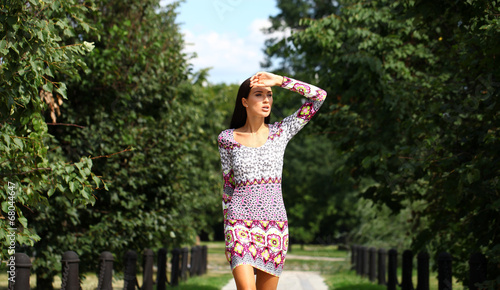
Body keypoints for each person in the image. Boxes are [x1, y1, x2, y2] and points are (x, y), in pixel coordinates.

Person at [218, 71, 327, 290]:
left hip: (274, 226)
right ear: (244, 102)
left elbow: (319, 96)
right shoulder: (227, 138)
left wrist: (280, 81)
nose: (266, 99)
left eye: (269, 95)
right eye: (259, 94)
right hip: (239, 224)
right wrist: (227, 230)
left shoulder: (281, 132)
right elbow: (228, 186)